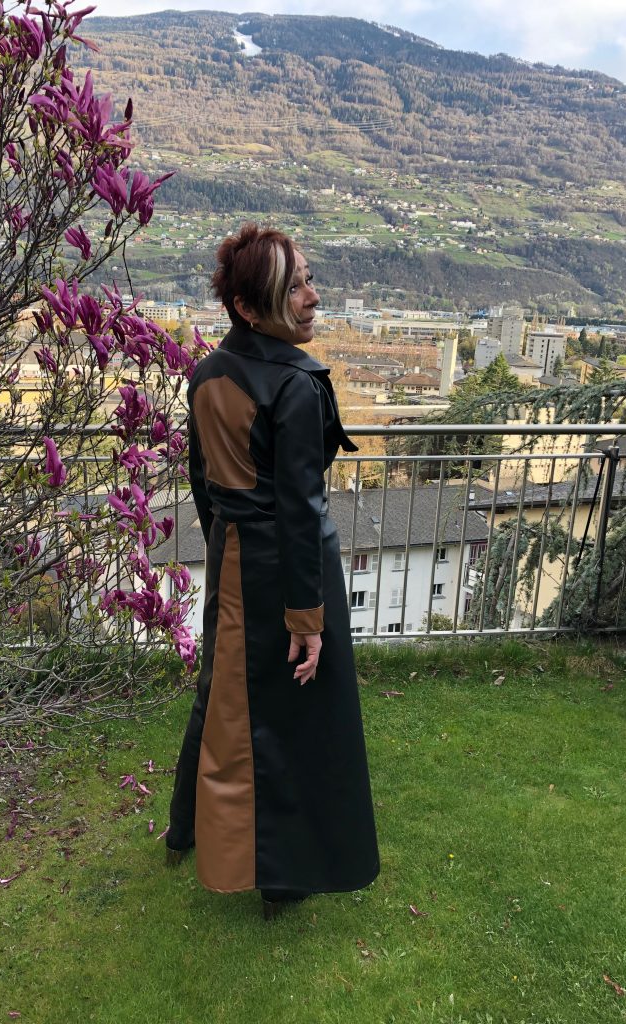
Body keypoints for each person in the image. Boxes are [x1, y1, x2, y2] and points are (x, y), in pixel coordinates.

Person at [166, 223, 379, 918]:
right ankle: (282, 879)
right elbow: (300, 509)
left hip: (232, 561)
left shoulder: (207, 375)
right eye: (294, 289)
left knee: (224, 699)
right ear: (249, 308)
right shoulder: (297, 384)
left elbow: (203, 483)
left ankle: (185, 828)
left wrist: (227, 541)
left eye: (309, 280)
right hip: (294, 570)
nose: (313, 297)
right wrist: (307, 618)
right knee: (294, 717)